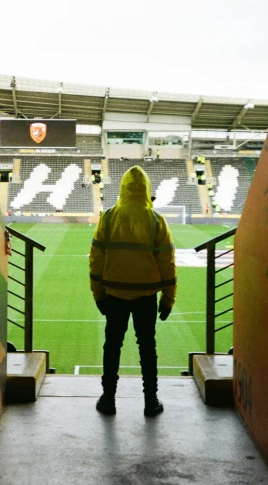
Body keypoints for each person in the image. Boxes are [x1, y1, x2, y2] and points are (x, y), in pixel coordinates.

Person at [89, 165, 176, 417]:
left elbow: (96, 258)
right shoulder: (156, 220)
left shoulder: (108, 217)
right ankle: (151, 401)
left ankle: (108, 399)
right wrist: (168, 299)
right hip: (146, 298)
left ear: (123, 188)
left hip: (114, 296)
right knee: (147, 347)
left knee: (112, 346)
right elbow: (167, 263)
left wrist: (98, 294)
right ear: (147, 190)